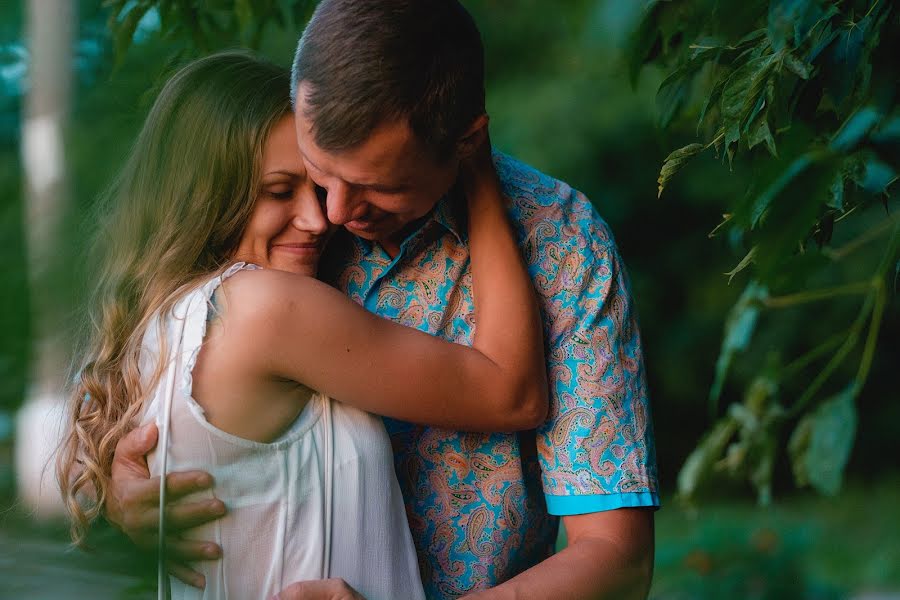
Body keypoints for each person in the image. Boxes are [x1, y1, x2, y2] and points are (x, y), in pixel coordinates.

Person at [108, 1, 661, 598]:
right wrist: (127, 490)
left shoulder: (557, 243)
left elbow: (615, 557)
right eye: (321, 172)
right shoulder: (272, 244)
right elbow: (142, 384)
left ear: (466, 141)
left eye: (379, 186)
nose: (333, 215)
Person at [56, 51, 550, 600]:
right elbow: (512, 394)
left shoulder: (170, 319)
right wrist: (476, 173)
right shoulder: (265, 306)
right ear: (205, 195)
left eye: (316, 185)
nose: (321, 218)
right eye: (277, 192)